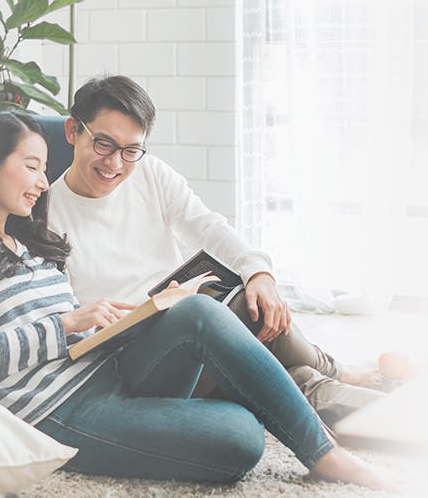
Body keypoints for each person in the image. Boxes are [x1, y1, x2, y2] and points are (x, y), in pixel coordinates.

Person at [0, 111, 396, 489]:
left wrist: (117, 320)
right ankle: (331, 393)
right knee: (243, 438)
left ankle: (324, 452)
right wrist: (66, 325)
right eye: (31, 167)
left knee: (199, 309)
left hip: (107, 368)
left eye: (44, 168)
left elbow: (74, 330)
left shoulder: (32, 240)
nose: (42, 182)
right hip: (61, 410)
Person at [43, 76, 383, 423]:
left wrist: (259, 272)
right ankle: (344, 374)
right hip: (134, 358)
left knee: (258, 316)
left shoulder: (150, 174)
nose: (115, 164)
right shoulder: (46, 219)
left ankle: (381, 403)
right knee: (234, 317)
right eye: (103, 144)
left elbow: (207, 226)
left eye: (131, 150)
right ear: (73, 131)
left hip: (186, 319)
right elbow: (69, 327)